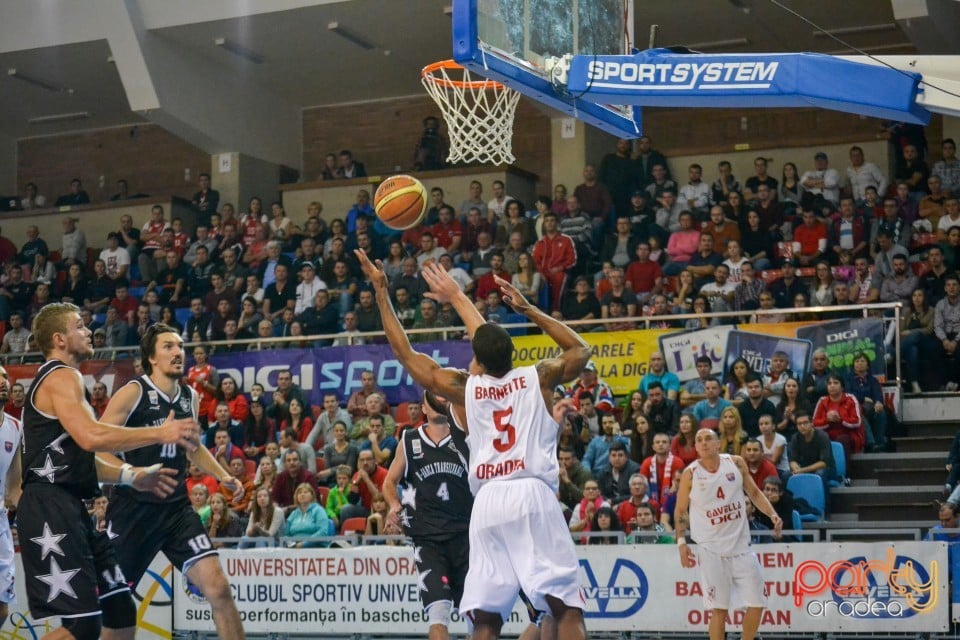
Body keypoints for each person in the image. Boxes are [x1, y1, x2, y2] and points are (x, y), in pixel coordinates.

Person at [356, 250, 589, 640]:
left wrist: (382, 293)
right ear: (514, 353)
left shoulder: (466, 390)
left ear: (476, 360)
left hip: (487, 503)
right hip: (531, 493)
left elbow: (405, 353)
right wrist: (529, 309)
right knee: (565, 607)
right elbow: (580, 350)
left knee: (485, 618)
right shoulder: (539, 377)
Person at [19, 304, 199, 639]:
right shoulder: (60, 376)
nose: (88, 330)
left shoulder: (68, 381)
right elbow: (92, 437)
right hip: (50, 505)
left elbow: (81, 458)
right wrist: (160, 433)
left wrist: (132, 476)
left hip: (70, 503)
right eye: (79, 326)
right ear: (60, 339)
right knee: (84, 623)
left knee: (119, 609)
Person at [99, 324, 246, 640]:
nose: (179, 352)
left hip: (176, 511)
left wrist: (224, 476)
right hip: (132, 513)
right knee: (119, 619)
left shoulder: (190, 397)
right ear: (151, 357)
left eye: (180, 346)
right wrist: (133, 476)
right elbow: (96, 447)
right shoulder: (133, 392)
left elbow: (193, 448)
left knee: (219, 589)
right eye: (168, 346)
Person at [674, 428, 782, 640]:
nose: (704, 443)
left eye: (708, 439)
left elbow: (754, 492)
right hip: (710, 549)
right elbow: (680, 510)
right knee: (719, 610)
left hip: (741, 547)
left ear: (718, 444)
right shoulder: (690, 473)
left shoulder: (735, 463)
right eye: (699, 440)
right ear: (695, 447)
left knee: (758, 603)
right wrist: (681, 543)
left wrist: (772, 514)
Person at [383, 390, 472, 640]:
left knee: (475, 615)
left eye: (444, 397)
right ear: (423, 408)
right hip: (428, 539)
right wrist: (393, 505)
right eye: (432, 399)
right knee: (438, 613)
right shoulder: (409, 440)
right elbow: (390, 482)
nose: (438, 402)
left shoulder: (466, 438)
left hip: (466, 537)